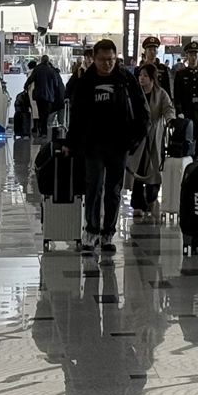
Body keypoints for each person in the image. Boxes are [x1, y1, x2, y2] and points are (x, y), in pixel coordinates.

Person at [64, 39, 149, 254]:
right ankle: (92, 231)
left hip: (119, 144)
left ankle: (108, 233)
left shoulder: (125, 79)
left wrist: (135, 139)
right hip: (92, 144)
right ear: (94, 58)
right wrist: (70, 142)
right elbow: (76, 114)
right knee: (93, 186)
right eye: (102, 59)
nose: (107, 64)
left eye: (111, 59)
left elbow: (142, 110)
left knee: (113, 190)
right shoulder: (86, 81)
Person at [126, 63, 175, 219]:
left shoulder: (160, 94)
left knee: (154, 170)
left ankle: (151, 197)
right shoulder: (134, 93)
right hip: (138, 137)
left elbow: (168, 108)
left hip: (155, 136)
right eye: (140, 75)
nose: (142, 78)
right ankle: (137, 205)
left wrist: (170, 120)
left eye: (146, 76)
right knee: (137, 170)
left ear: (153, 78)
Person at [172, 42, 198, 160]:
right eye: (191, 54)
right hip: (186, 112)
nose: (193, 57)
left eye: (195, 54)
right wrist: (179, 111)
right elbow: (177, 95)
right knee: (187, 140)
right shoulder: (181, 74)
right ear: (187, 56)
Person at [25, 54, 64, 139]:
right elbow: (55, 84)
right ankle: (44, 132)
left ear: (41, 60)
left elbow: (31, 79)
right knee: (46, 114)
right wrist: (54, 92)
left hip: (39, 95)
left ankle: (40, 130)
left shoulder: (37, 69)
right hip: (48, 96)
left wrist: (25, 86)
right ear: (48, 61)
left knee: (40, 113)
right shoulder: (51, 70)